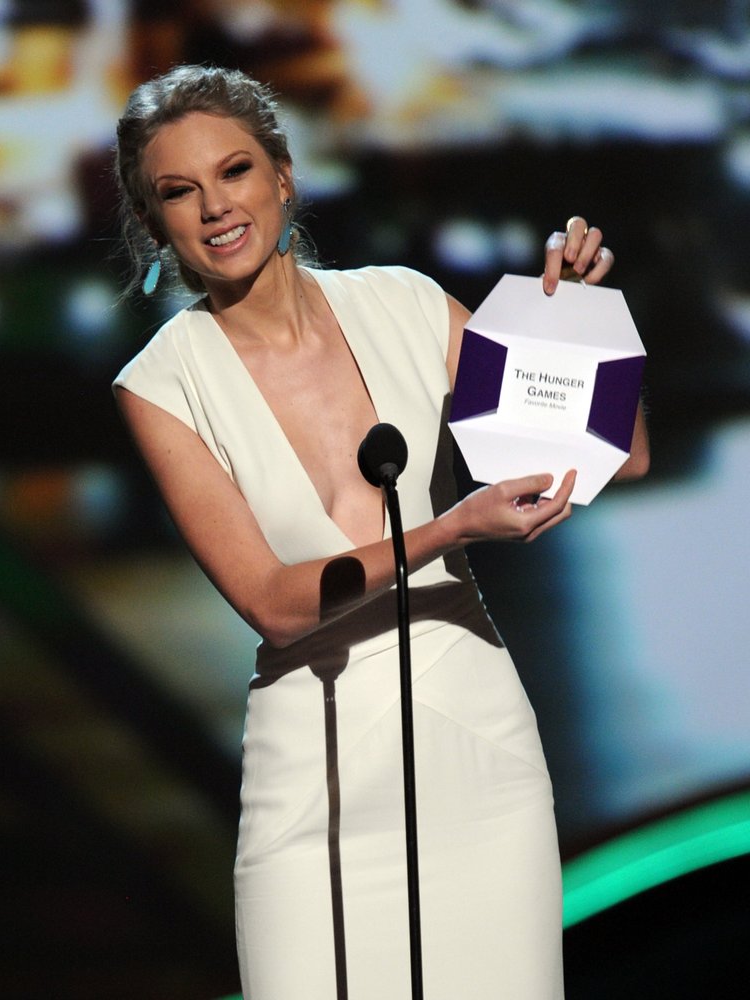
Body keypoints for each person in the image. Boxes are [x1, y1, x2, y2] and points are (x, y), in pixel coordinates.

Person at [112, 64, 649, 1000]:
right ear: (154, 222)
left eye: (235, 171)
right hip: (312, 777)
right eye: (179, 191)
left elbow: (620, 455)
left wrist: (569, 328)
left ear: (283, 175)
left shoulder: (404, 302)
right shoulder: (160, 384)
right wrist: (450, 530)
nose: (215, 207)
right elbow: (275, 606)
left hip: (473, 744)